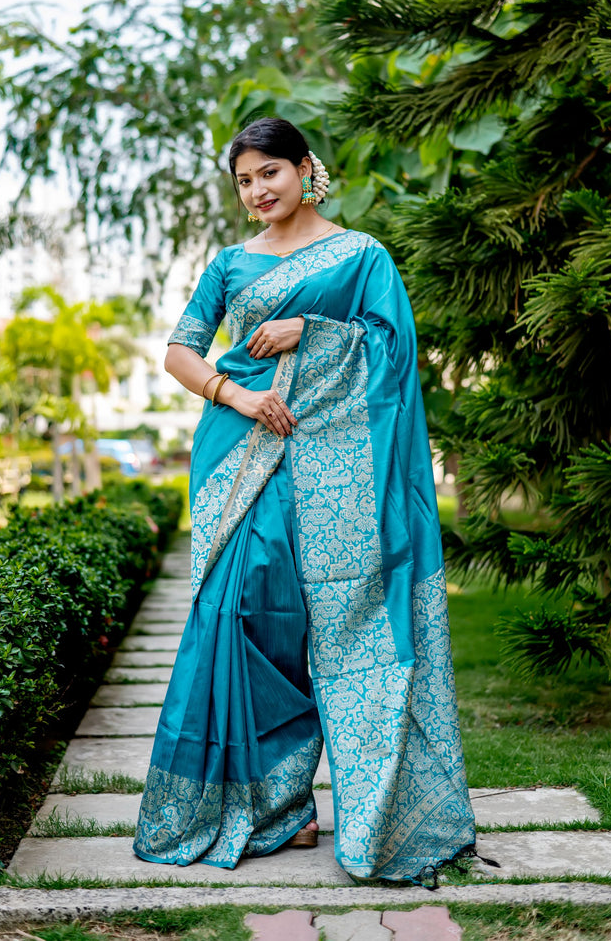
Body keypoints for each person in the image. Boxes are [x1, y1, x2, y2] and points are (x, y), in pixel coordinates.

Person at [133, 117, 475, 882]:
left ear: (303, 169)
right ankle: (278, 807)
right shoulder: (228, 265)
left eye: (269, 174)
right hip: (240, 458)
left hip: (341, 470)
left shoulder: (362, 257)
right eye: (244, 181)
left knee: (353, 632)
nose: (257, 192)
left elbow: (393, 352)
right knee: (244, 618)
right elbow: (179, 352)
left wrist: (310, 332)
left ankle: (377, 811)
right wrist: (236, 396)